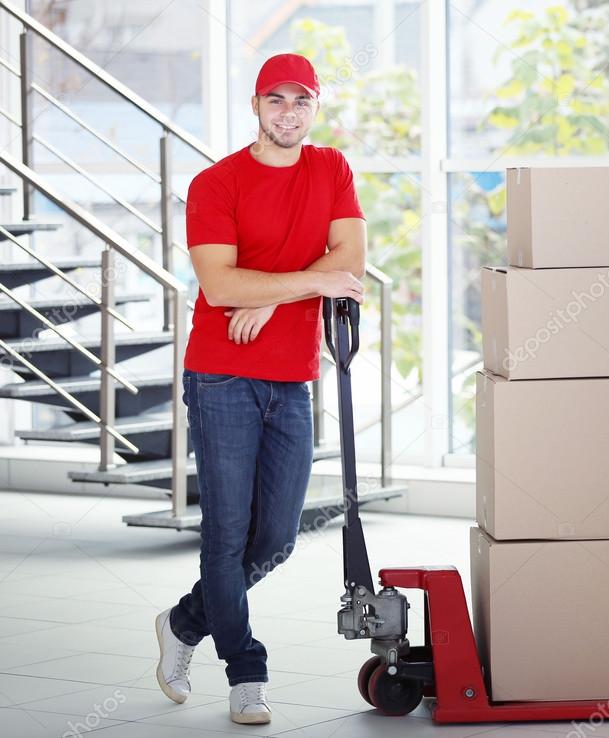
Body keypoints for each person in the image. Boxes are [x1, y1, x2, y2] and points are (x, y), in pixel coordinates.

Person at [152, 53, 366, 725]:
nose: (287, 111)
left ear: (315, 108)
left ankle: (184, 622)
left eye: (300, 99)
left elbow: (351, 263)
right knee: (226, 535)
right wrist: (308, 280)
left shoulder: (331, 168)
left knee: (276, 535)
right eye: (275, 99)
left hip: (291, 377)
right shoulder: (217, 184)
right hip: (221, 373)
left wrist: (273, 297)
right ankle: (245, 670)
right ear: (255, 106)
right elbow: (220, 287)